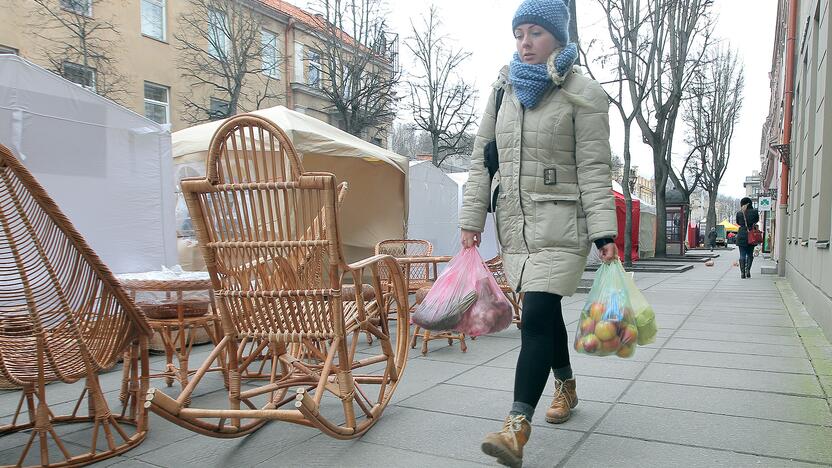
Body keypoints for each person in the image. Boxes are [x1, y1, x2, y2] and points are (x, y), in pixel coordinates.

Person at [458, 1, 618, 465]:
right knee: (544, 316)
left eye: (536, 34)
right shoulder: (501, 91)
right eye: (519, 33)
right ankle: (566, 385)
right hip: (516, 226)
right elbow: (480, 158)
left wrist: (604, 233)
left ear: (558, 38)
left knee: (538, 316)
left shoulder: (584, 92)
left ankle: (515, 427)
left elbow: (593, 167)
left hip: (563, 222)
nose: (525, 43)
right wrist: (472, 220)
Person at [736, 197, 760, 279]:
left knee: (742, 254)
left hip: (741, 235)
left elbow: (738, 222)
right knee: (750, 254)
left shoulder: (739, 213)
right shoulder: (754, 212)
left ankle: (742, 273)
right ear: (750, 203)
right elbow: (756, 220)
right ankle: (748, 271)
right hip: (751, 235)